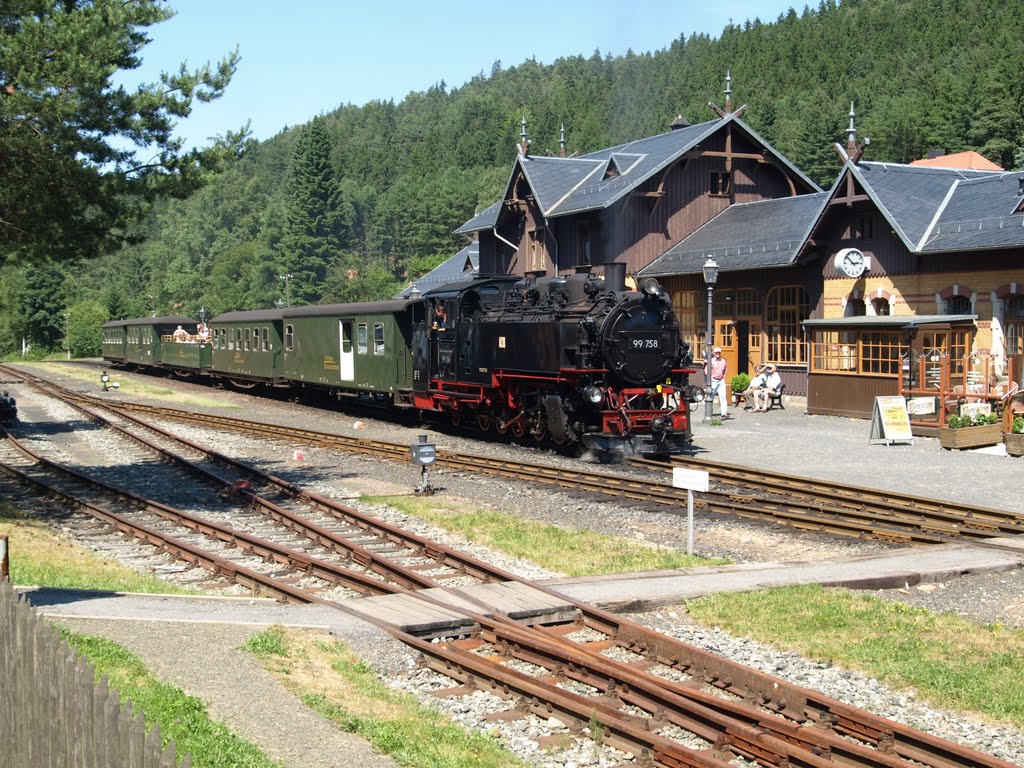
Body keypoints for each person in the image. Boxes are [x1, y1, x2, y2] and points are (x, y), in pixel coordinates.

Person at [704, 346, 729, 418]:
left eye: (719, 352)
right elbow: (706, 370)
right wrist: (711, 378)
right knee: (711, 397)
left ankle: (724, 413)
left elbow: (726, 369)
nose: (717, 353)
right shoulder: (711, 360)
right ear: (714, 353)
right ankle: (709, 412)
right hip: (714, 380)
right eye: (716, 352)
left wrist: (724, 376)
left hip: (721, 380)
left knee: (723, 397)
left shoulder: (723, 360)